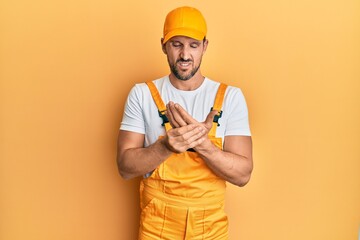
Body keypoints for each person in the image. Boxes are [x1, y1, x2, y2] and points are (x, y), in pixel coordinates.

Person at [117, 6, 253, 240]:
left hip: (210, 228)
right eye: (176, 44)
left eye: (193, 45)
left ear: (205, 46)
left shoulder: (230, 97)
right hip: (156, 227)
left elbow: (243, 176)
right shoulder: (141, 94)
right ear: (163, 45)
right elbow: (125, 168)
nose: (185, 55)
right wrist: (165, 147)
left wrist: (203, 145)